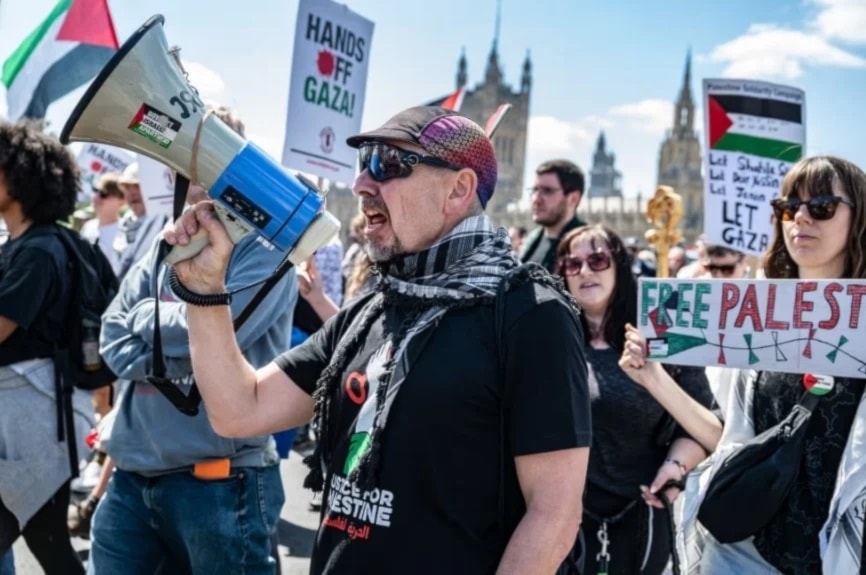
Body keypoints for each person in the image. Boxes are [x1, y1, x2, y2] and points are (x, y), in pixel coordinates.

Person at [165, 105, 592, 574]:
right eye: (363, 163)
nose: (361, 184)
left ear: (458, 189)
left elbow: (553, 515)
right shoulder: (374, 308)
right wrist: (205, 290)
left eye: (387, 165)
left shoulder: (531, 312)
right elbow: (238, 409)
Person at [87, 106, 294, 575]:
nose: (193, 171)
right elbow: (113, 337)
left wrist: (162, 325)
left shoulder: (269, 252)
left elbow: (216, 330)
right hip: (131, 481)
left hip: (221, 486)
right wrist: (186, 340)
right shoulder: (168, 242)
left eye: (208, 156)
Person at [681, 156, 866, 574]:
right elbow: (726, 434)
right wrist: (650, 376)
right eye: (787, 207)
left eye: (821, 206)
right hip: (741, 554)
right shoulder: (758, 312)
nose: (800, 217)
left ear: (859, 218)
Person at [555, 223, 715, 575]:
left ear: (619, 266)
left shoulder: (662, 336)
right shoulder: (549, 341)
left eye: (597, 260)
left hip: (641, 517)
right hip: (560, 521)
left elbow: (709, 431)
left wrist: (676, 466)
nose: (584, 271)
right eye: (571, 264)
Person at [0, 121, 90, 574]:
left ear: (17, 178)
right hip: (33, 422)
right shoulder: (27, 244)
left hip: (30, 423)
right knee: (50, 542)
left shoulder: (37, 251)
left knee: (50, 544)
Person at [520, 159, 586, 273]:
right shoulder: (532, 239)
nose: (536, 199)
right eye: (535, 190)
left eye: (547, 191)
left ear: (573, 199)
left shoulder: (585, 248)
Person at [79, 172, 126, 276]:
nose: (97, 196)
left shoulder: (124, 231)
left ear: (122, 200)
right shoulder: (88, 226)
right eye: (96, 190)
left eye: (104, 194)